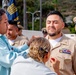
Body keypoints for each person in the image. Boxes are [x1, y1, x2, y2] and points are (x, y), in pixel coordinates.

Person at [0, 8, 33, 75]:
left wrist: (28, 44)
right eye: (5, 22)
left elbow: (15, 50)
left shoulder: (3, 38)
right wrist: (32, 51)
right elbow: (9, 60)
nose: (7, 24)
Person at [45, 10, 76, 75]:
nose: (51, 25)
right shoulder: (38, 44)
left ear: (62, 25)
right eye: (48, 22)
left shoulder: (72, 45)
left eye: (55, 22)